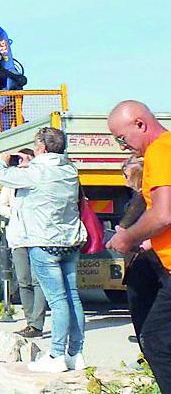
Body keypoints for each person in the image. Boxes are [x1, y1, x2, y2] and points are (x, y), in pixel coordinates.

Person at [0, 127, 87, 373]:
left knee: (58, 300)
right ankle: (76, 353)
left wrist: (2, 160)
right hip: (70, 241)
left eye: (35, 146)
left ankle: (55, 355)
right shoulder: (69, 170)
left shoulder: (36, 172)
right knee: (73, 296)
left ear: (41, 148)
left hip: (44, 243)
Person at [106, 101, 171, 390]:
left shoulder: (159, 151)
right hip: (162, 262)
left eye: (122, 138)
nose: (123, 146)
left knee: (155, 340)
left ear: (140, 124)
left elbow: (163, 214)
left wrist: (127, 238)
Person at [0, 147, 46, 339]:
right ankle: (29, 321)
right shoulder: (11, 182)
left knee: (38, 280)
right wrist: (13, 214)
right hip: (18, 236)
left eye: (26, 159)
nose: (21, 162)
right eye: (18, 160)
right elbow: (2, 205)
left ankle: (37, 323)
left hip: (37, 236)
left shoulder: (38, 179)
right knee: (24, 280)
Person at [117, 155, 161, 349]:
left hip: (142, 259)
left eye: (126, 176)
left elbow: (123, 228)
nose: (125, 182)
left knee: (142, 308)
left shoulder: (142, 197)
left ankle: (147, 350)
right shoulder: (152, 196)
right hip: (149, 258)